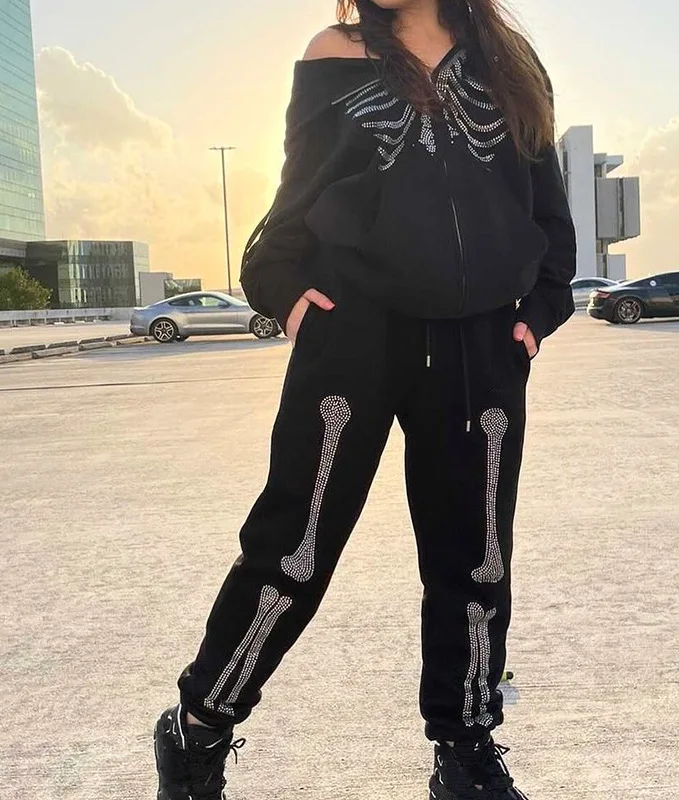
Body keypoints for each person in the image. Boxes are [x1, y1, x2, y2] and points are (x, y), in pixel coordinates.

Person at [153, 0, 576, 797]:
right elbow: (297, 192)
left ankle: (466, 749)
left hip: (480, 345)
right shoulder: (336, 53)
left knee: (476, 556)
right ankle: (200, 724)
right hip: (355, 336)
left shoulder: (508, 62)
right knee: (296, 545)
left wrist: (542, 308)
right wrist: (284, 292)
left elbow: (545, 202)